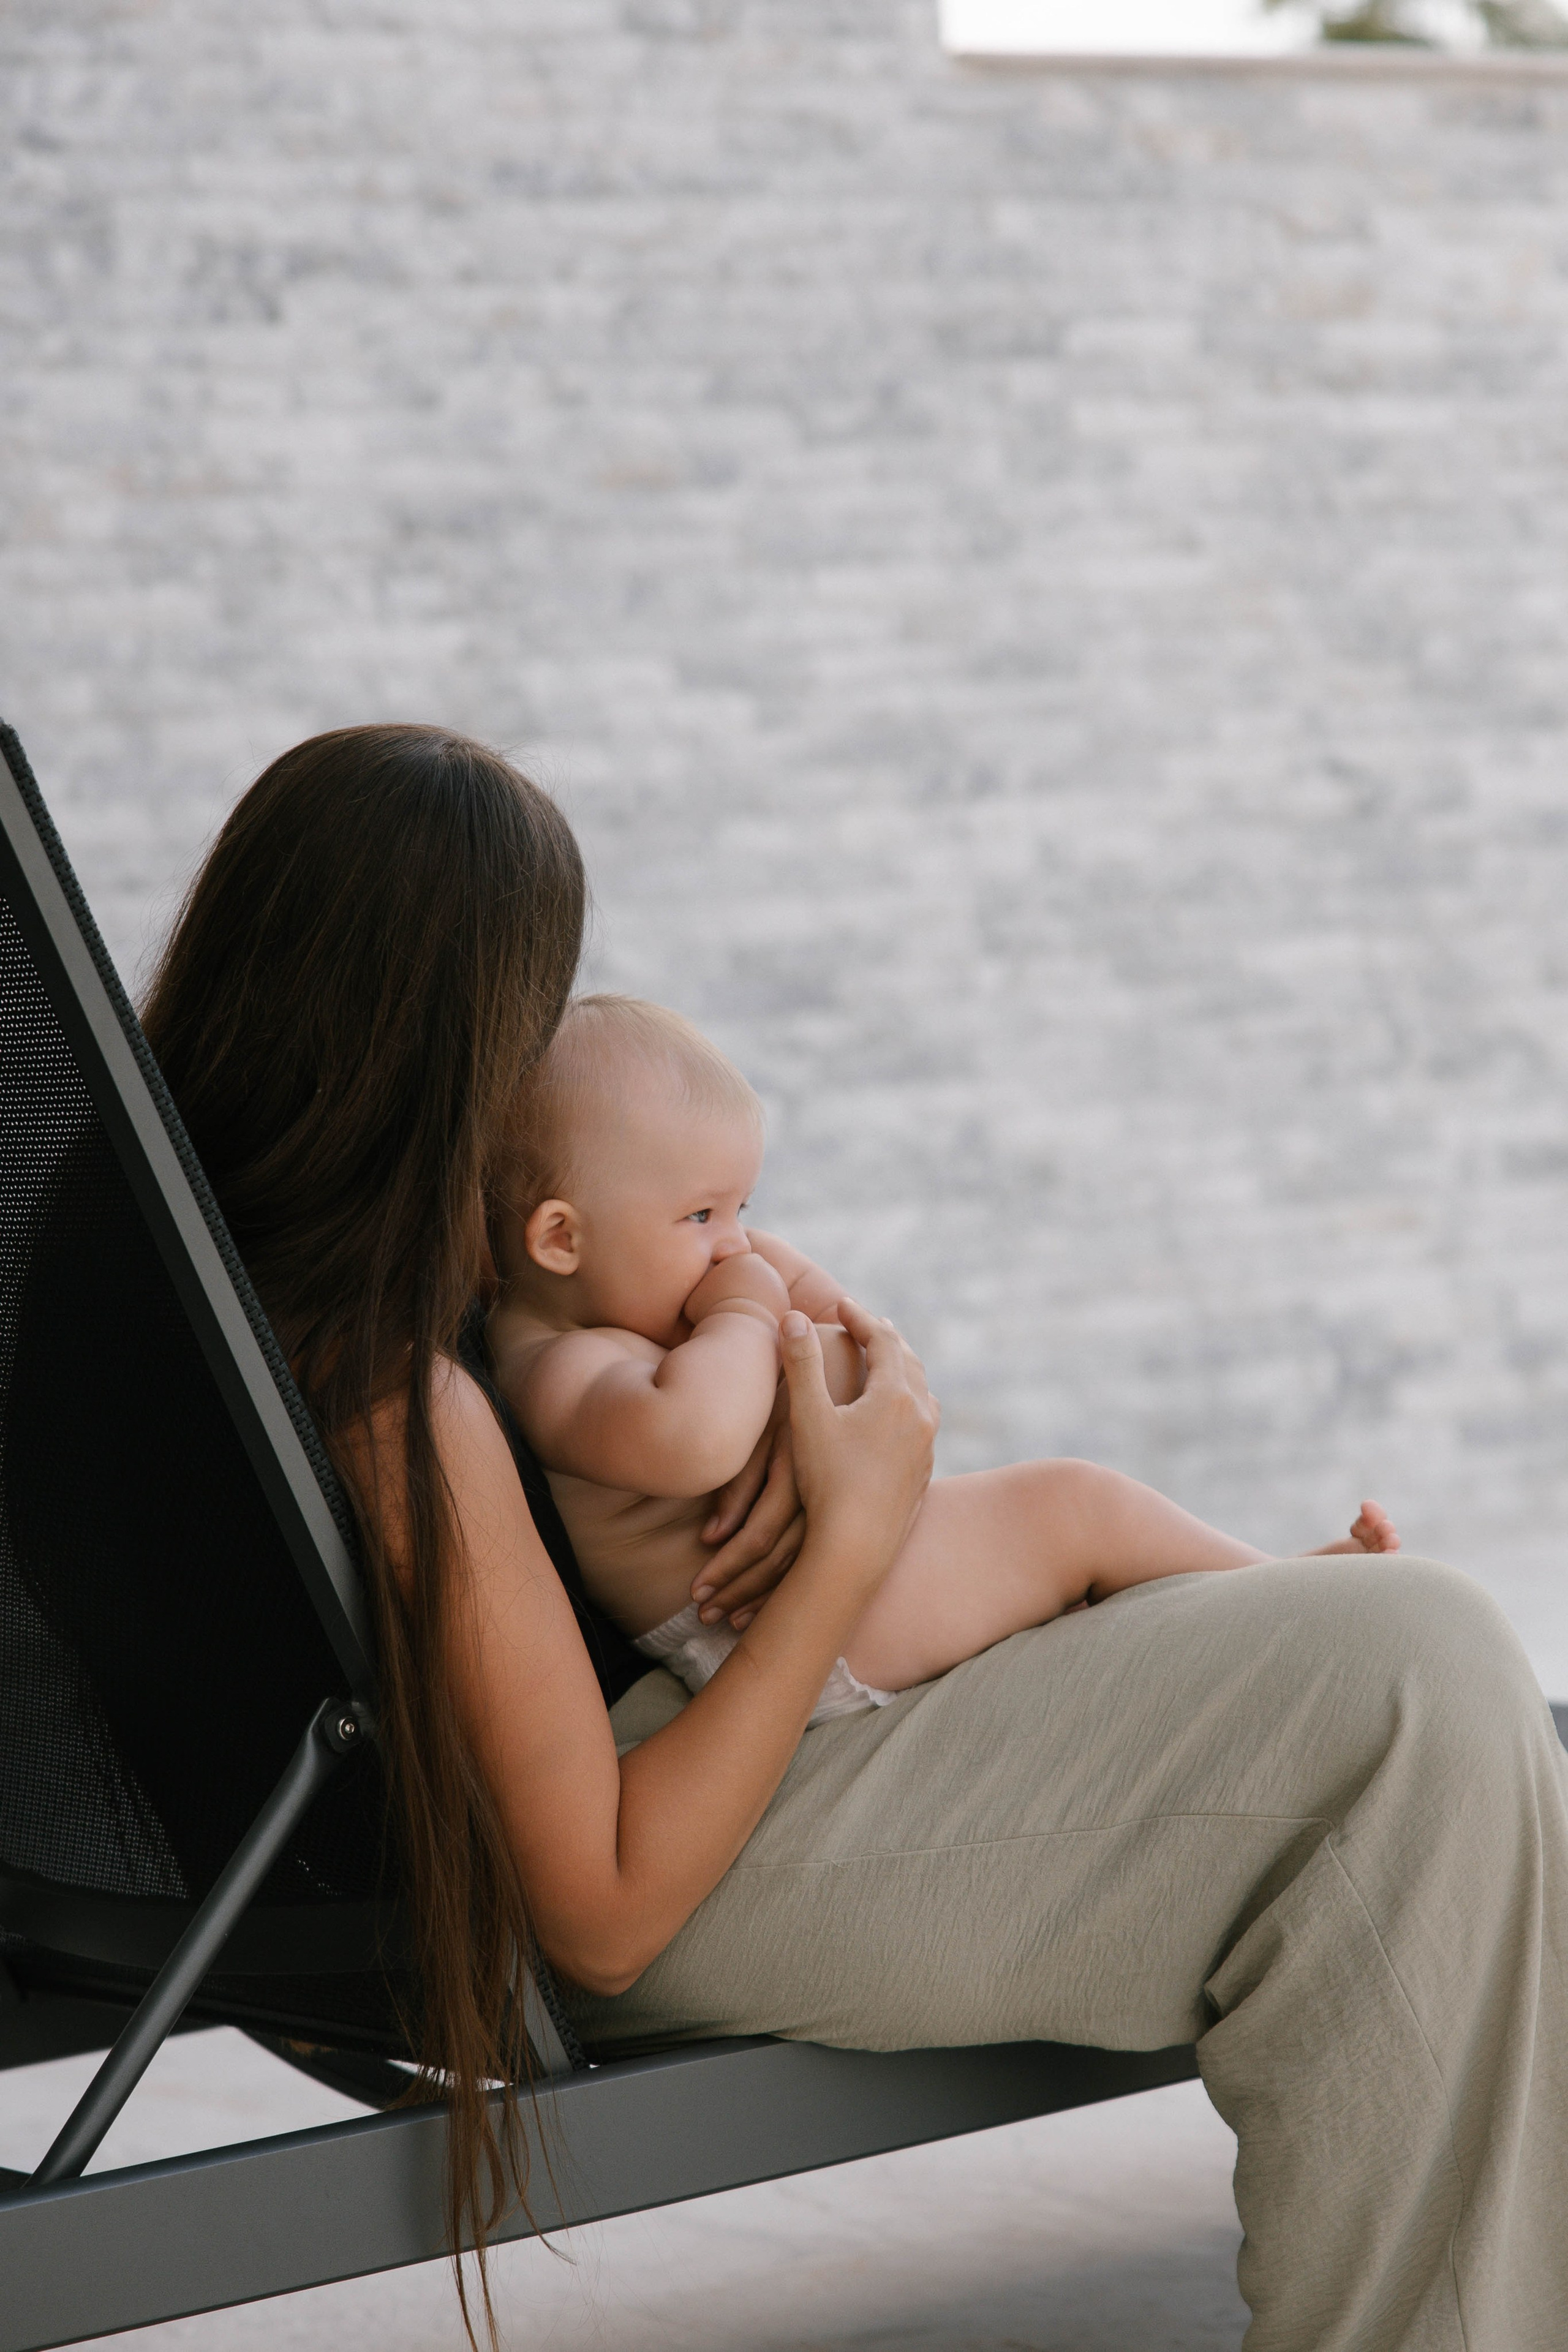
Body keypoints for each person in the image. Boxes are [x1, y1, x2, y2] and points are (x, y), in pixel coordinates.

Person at [143, 722, 1568, 2352]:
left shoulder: (182, 1278)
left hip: (708, 1753)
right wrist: (846, 1541)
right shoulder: (395, 1400)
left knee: (1426, 1702)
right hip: (676, 1853)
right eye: (525, 1014)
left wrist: (796, 1353)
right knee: (1419, 1679)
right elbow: (600, 1908)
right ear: (436, 1049)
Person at [488, 992, 1402, 1727]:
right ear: (562, 1239)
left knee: (1075, 1592)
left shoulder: (652, 1291)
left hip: (841, 1578)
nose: (736, 1244)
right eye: (699, 1215)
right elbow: (698, 1438)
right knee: (1077, 1508)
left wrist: (805, 1316)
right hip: (783, 1633)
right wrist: (747, 1309)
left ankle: (1261, 1590)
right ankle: (1284, 1603)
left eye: (743, 1208)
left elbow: (856, 1333)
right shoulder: (559, 1368)